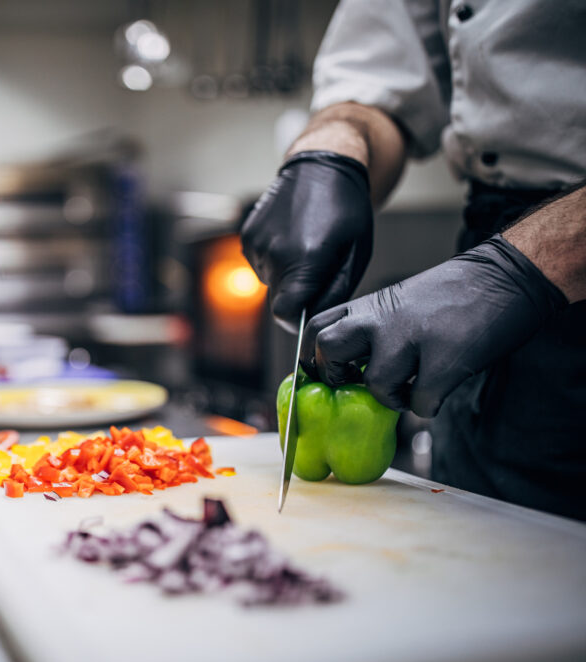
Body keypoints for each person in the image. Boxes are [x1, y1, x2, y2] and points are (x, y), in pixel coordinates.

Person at [239, 2, 585, 520]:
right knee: (484, 543)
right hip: (496, 251)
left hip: (543, 251)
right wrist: (332, 150)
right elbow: (381, 83)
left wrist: (528, 264)